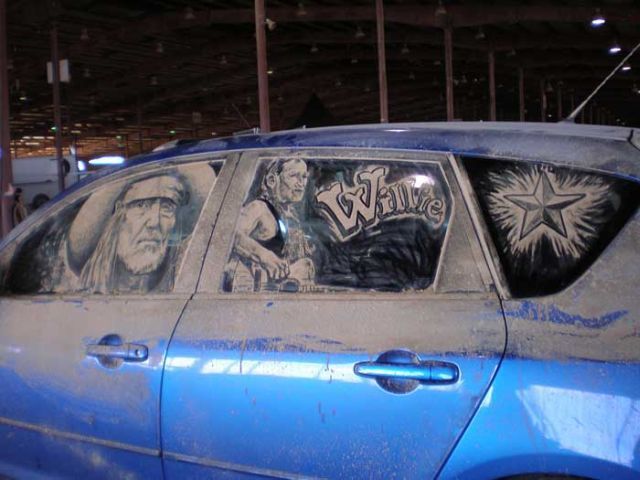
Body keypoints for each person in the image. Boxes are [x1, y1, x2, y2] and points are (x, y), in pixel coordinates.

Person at [67, 172, 189, 293]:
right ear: (119, 212)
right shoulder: (94, 281)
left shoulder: (182, 273)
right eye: (141, 205)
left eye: (166, 208)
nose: (154, 222)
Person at [226, 158, 315, 292]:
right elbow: (232, 235)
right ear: (272, 180)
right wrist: (264, 256)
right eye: (293, 176)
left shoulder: (291, 215)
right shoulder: (259, 208)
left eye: (304, 177)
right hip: (250, 291)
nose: (301, 183)